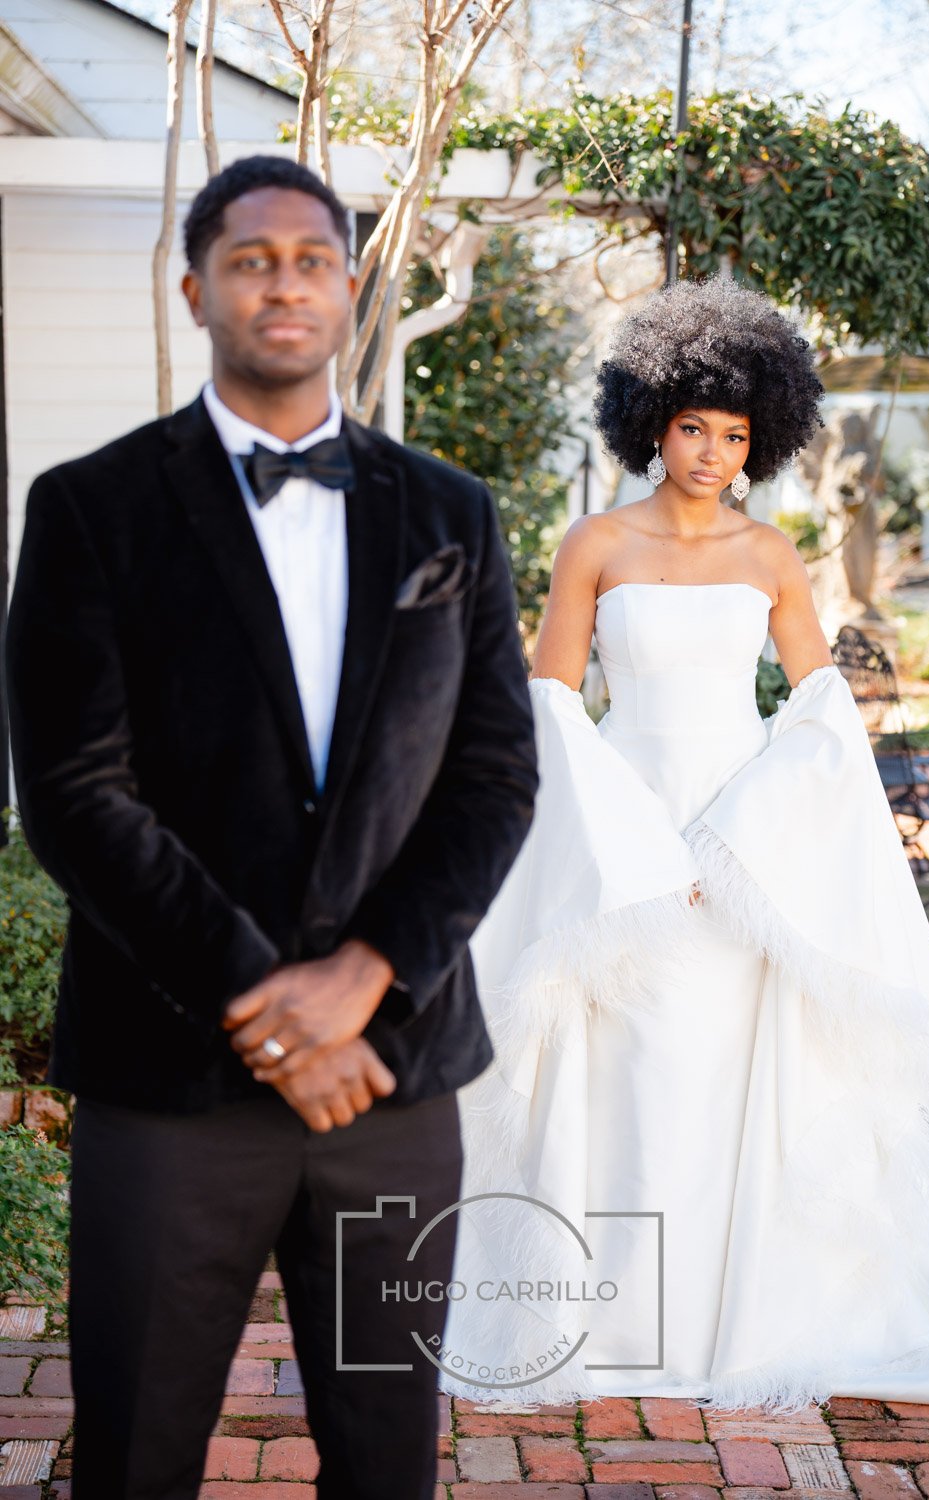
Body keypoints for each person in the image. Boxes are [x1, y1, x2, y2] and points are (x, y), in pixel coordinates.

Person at [4, 154, 538, 1499]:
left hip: (392, 1077)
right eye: (251, 260)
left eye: (312, 260)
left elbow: (493, 777)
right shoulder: (90, 509)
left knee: (384, 1453)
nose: (284, 284)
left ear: (351, 288)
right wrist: (267, 1004)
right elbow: (74, 791)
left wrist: (366, 977)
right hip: (170, 1080)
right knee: (136, 1453)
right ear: (196, 290)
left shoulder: (451, 512)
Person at [436, 274, 929, 1414]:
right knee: (630, 1060)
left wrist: (738, 844)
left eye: (736, 434)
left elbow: (818, 710)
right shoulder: (595, 543)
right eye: (694, 426)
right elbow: (551, 704)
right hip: (619, 828)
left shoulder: (770, 553)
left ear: (762, 439)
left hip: (747, 839)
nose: (712, 452)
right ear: (652, 421)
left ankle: (745, 1309)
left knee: (736, 1062)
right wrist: (636, 849)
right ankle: (619, 1311)